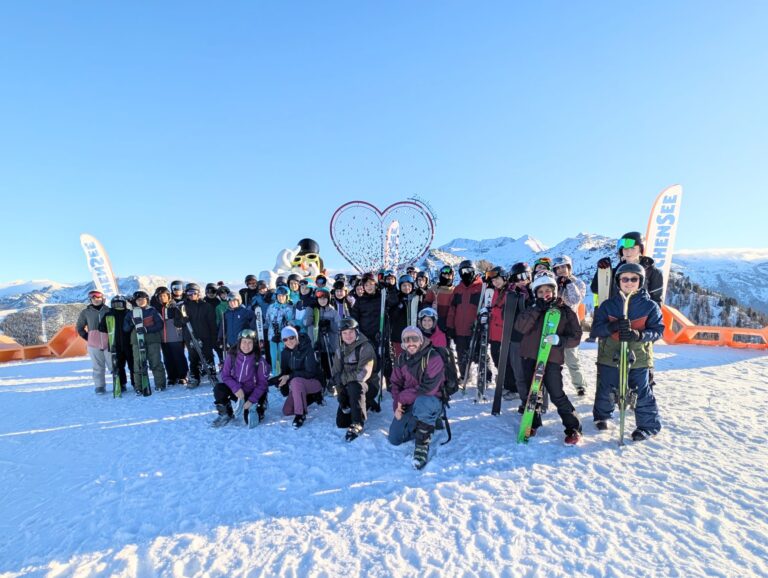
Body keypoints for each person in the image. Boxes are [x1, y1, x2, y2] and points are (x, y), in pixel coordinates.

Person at [590, 263, 664, 441]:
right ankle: (603, 415)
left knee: (641, 390)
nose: (629, 283)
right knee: (607, 386)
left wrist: (639, 335)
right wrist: (611, 326)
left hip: (638, 356)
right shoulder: (608, 305)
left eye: (634, 279)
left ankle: (648, 426)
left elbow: (658, 331)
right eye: (625, 279)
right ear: (618, 281)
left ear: (641, 281)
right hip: (610, 354)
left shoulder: (650, 306)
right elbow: (596, 330)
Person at [514, 273, 582, 444]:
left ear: (554, 291)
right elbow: (520, 327)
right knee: (532, 393)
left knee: (556, 393)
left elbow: (576, 336)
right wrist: (537, 309)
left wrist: (560, 340)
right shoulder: (530, 310)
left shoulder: (564, 311)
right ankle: (533, 422)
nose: (545, 293)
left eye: (548, 290)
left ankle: (573, 427)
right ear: (535, 294)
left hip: (551, 359)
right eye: (540, 291)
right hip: (530, 357)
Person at [388, 326, 446, 470]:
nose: (411, 343)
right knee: (395, 438)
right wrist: (397, 406)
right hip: (410, 402)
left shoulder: (433, 357)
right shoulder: (401, 358)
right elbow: (395, 383)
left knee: (422, 401)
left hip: (431, 400)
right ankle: (427, 422)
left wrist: (403, 397)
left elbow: (429, 388)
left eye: (414, 338)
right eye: (407, 340)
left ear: (421, 340)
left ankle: (422, 445)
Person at [330, 317, 379, 441]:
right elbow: (336, 373)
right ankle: (366, 403)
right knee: (341, 422)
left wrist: (342, 379)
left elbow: (362, 375)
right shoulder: (340, 350)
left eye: (351, 332)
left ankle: (358, 423)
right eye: (344, 333)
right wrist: (340, 392)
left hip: (367, 386)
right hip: (348, 387)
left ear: (357, 332)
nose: (348, 336)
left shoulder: (365, 347)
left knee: (355, 385)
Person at [211, 329, 271, 428]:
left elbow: (262, 384)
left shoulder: (259, 360)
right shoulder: (232, 356)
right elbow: (225, 375)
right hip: (238, 392)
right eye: (244, 342)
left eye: (250, 342)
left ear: (254, 344)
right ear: (239, 342)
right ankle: (226, 413)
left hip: (252, 392)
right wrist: (236, 388)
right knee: (219, 389)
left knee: (249, 421)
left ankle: (260, 405)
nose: (246, 346)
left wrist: (251, 400)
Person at [592, 231, 664, 305]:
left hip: (641, 315)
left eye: (632, 248)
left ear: (641, 249)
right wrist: (602, 271)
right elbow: (595, 289)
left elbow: (656, 301)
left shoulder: (653, 273)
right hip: (615, 314)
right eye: (625, 249)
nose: (628, 252)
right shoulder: (615, 272)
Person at [447, 260, 487, 383]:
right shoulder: (458, 289)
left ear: (474, 271)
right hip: (459, 329)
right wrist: (450, 326)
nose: (466, 273)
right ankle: (465, 375)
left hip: (475, 329)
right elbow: (452, 309)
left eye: (469, 270)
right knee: (461, 354)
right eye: (463, 271)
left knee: (479, 353)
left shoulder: (482, 287)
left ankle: (486, 376)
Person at [553, 256, 588, 396]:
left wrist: (568, 284)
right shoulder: (553, 283)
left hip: (570, 325)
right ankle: (552, 386)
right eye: (558, 268)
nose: (561, 270)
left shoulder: (578, 283)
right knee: (553, 360)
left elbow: (575, 300)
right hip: (554, 323)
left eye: (564, 267)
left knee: (572, 358)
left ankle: (580, 386)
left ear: (569, 268)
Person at [276, 326, 324, 428]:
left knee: (295, 381)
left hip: (314, 381)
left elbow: (310, 372)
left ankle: (300, 414)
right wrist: (276, 382)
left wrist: (289, 376)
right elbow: (284, 372)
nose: (289, 341)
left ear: (296, 337)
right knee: (287, 411)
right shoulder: (285, 353)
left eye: (291, 337)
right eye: (285, 339)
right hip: (298, 384)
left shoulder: (306, 348)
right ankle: (311, 398)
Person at [123, 290, 167, 394]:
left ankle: (160, 384)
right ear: (135, 301)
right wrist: (132, 323)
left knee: (155, 362)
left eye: (143, 299)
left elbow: (160, 324)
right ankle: (139, 386)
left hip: (152, 340)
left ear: (147, 299)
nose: (141, 301)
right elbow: (125, 328)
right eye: (138, 299)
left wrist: (147, 329)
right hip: (137, 341)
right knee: (138, 364)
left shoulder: (152, 311)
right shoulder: (131, 313)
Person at [486, 266, 517, 399]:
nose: (496, 282)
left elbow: (507, 312)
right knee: (496, 358)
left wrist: (491, 311)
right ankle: (507, 383)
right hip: (494, 333)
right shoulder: (497, 292)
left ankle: (513, 388)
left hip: (504, 333)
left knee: (507, 362)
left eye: (497, 279)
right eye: (493, 281)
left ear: (504, 278)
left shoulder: (510, 292)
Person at [177, 283, 217, 388]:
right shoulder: (183, 307)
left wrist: (213, 337)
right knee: (193, 357)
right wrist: (182, 319)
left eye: (194, 292)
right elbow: (176, 323)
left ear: (198, 293)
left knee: (208, 355)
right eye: (189, 293)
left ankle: (212, 373)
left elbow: (212, 323)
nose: (192, 295)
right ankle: (195, 376)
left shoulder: (206, 306)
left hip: (205, 335)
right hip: (190, 336)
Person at [506, 263, 535, 407]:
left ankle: (536, 400)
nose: (523, 280)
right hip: (516, 339)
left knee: (535, 373)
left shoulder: (536, 292)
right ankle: (525, 401)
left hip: (533, 340)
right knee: (519, 373)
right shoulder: (510, 295)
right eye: (519, 277)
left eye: (526, 276)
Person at [76, 290, 112, 394]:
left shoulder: (108, 310)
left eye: (98, 298)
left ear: (102, 299)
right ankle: (100, 386)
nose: (96, 300)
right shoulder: (86, 312)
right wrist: (88, 337)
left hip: (109, 342)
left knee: (113, 365)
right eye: (93, 298)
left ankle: (119, 383)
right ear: (90, 300)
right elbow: (79, 327)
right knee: (97, 367)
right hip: (94, 344)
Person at [98, 294, 134, 393]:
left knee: (132, 365)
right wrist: (106, 324)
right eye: (115, 304)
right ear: (112, 305)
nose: (118, 306)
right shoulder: (109, 314)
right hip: (115, 345)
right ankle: (121, 384)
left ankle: (136, 383)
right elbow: (101, 327)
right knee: (118, 366)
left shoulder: (129, 313)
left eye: (120, 304)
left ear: (124, 304)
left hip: (129, 344)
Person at [153, 287, 188, 386]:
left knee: (179, 357)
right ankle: (172, 376)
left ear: (168, 295)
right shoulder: (157, 308)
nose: (162, 298)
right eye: (160, 296)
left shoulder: (174, 306)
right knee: (168, 358)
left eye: (164, 295)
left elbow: (181, 319)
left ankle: (183, 375)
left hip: (175, 336)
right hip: (163, 338)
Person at [304, 287, 340, 382]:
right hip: (316, 343)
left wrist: (329, 323)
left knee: (330, 364)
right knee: (318, 365)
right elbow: (306, 323)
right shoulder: (313, 310)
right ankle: (320, 383)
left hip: (330, 345)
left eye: (325, 298)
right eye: (320, 298)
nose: (322, 300)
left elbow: (338, 328)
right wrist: (309, 310)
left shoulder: (333, 312)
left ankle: (332, 382)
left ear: (328, 299)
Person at [265, 285, 295, 376]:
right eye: (279, 296)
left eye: (283, 296)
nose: (281, 298)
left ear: (287, 296)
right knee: (274, 357)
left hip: (285, 338)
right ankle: (275, 375)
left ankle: (284, 376)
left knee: (283, 358)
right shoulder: (271, 307)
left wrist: (283, 328)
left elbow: (291, 322)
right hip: (272, 336)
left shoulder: (289, 307)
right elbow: (267, 320)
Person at [423, 265, 455, 343]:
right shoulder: (433, 289)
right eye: (444, 275)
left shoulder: (455, 291)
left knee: (445, 348)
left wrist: (451, 325)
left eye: (449, 276)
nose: (446, 278)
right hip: (434, 324)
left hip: (448, 325)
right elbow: (425, 305)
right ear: (440, 275)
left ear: (452, 277)